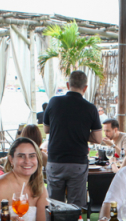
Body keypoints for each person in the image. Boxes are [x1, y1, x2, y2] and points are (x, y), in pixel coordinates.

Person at [43, 70, 102, 209]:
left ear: (68, 85)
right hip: (77, 163)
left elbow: (46, 129)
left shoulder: (54, 101)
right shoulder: (90, 108)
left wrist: (65, 130)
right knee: (75, 207)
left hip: (55, 161)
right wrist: (80, 132)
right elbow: (98, 138)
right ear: (85, 88)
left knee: (54, 205)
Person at [0, 137, 48, 221]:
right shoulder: (0, 186)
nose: (27, 161)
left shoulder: (39, 186)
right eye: (21, 156)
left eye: (32, 156)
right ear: (11, 159)